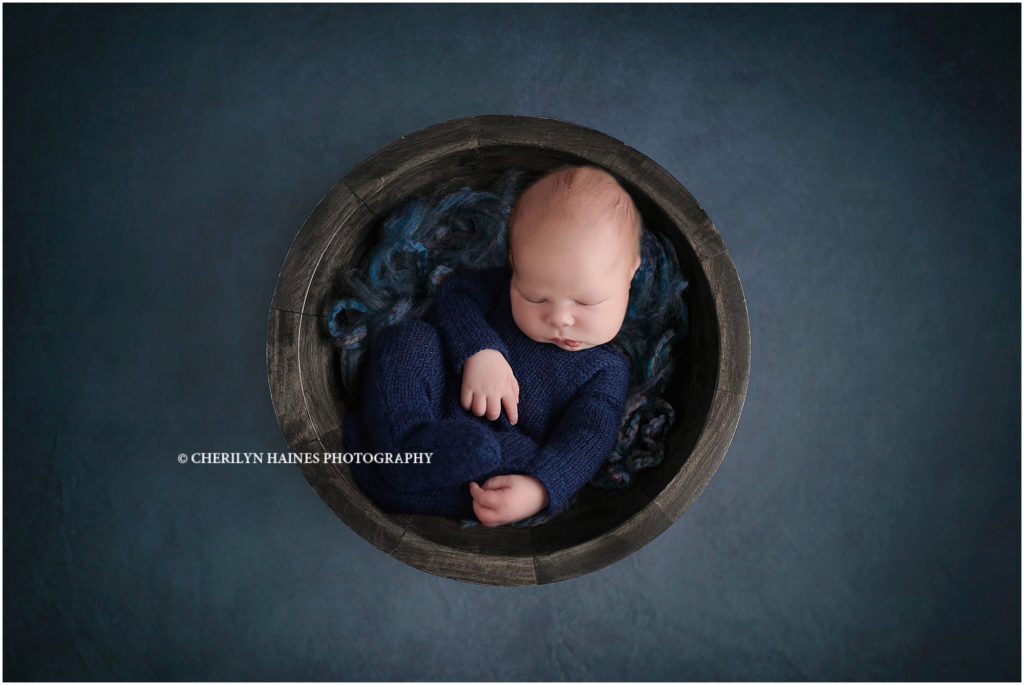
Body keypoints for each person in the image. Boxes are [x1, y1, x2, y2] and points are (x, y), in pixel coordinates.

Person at [344, 166, 642, 526]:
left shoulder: (606, 370)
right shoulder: (500, 289)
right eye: (534, 297)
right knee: (409, 340)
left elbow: (588, 438)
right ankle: (402, 445)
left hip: (493, 446)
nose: (559, 318)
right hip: (431, 405)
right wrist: (481, 350)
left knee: (513, 457)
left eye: (587, 302)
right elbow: (455, 298)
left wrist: (539, 488)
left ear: (631, 273)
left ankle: (393, 476)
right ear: (515, 266)